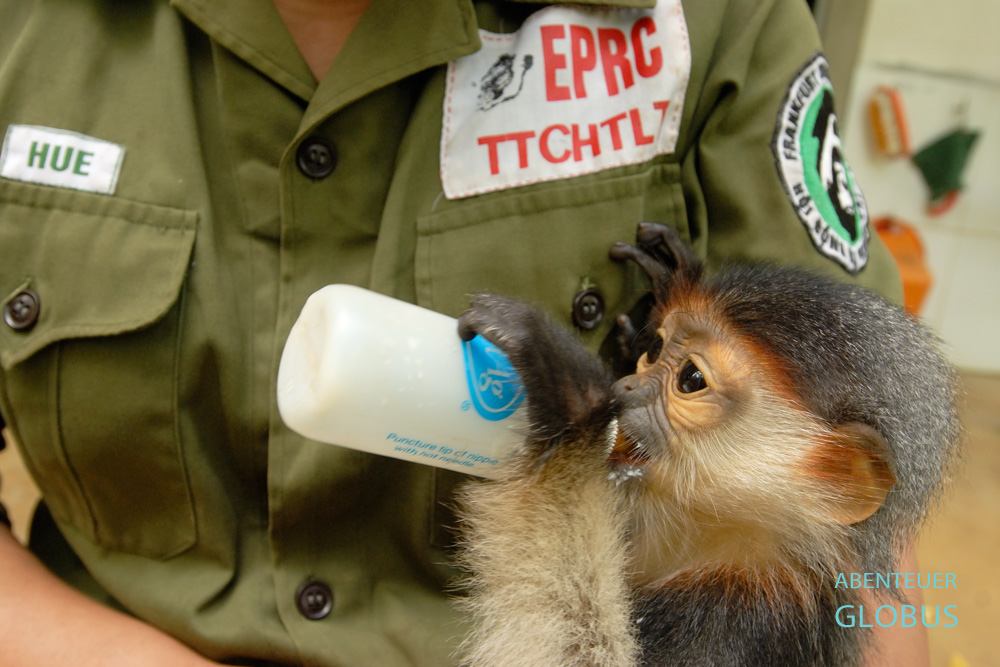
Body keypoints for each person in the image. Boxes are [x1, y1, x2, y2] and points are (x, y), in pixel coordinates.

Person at [0, 0, 926, 664]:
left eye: (679, 374)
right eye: (654, 353)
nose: (634, 385)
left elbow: (853, 530)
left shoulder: (710, 24)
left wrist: (566, 460)